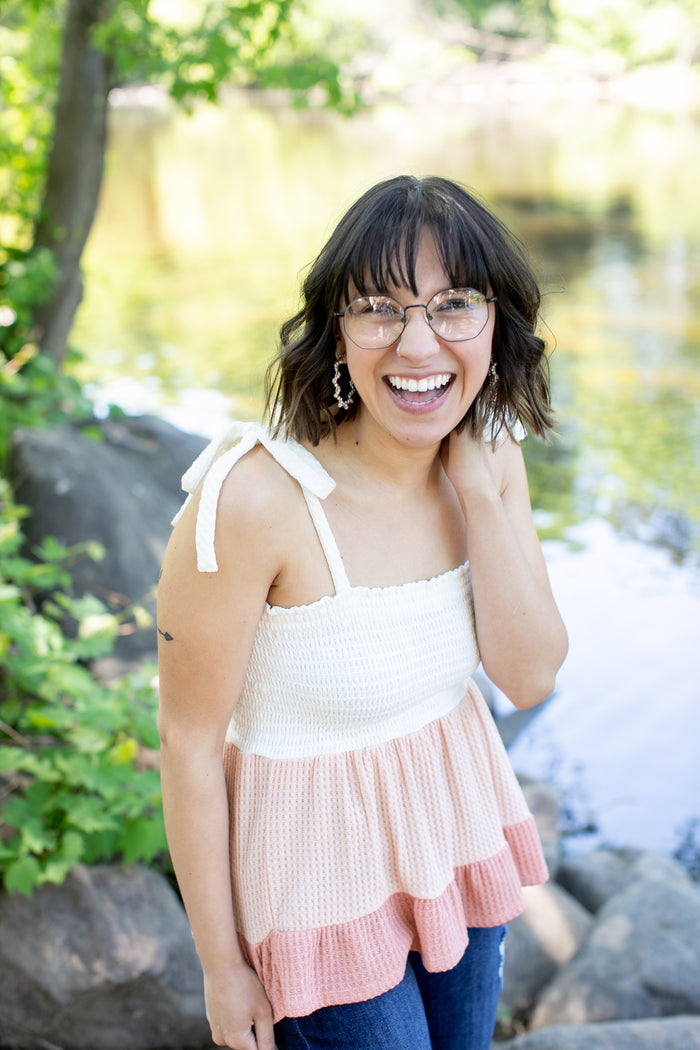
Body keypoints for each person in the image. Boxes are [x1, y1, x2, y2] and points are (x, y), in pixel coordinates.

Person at [157, 174, 568, 1050]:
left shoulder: (488, 458)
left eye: (455, 304)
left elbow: (529, 677)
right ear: (337, 333)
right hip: (314, 890)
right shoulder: (256, 499)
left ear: (498, 321)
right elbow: (190, 745)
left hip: (455, 842)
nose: (418, 345)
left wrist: (484, 499)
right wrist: (222, 969)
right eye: (379, 308)